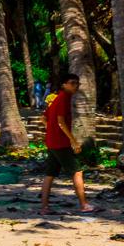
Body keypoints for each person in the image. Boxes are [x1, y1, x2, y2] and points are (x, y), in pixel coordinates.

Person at [40, 73, 96, 215]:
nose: (75, 86)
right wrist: (73, 140)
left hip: (52, 142)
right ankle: (84, 205)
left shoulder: (57, 99)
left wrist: (50, 131)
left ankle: (44, 208)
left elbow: (43, 118)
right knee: (77, 171)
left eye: (77, 83)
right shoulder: (64, 98)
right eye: (72, 83)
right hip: (60, 142)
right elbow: (60, 121)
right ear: (64, 84)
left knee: (49, 174)